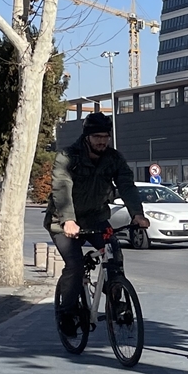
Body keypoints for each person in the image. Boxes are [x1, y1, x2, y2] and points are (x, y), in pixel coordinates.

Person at [45, 112, 149, 336]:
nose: (102, 141)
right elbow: (61, 186)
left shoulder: (113, 158)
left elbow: (127, 185)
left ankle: (116, 301)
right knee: (74, 265)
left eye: (105, 136)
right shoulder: (68, 156)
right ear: (87, 137)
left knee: (114, 252)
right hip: (62, 221)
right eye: (97, 137)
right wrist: (68, 220)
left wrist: (137, 214)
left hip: (96, 218)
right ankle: (67, 313)